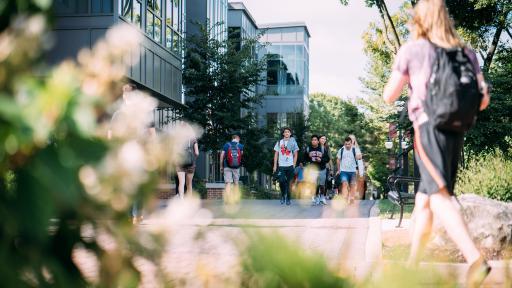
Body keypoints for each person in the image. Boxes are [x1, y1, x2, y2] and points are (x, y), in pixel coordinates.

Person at [382, 0, 491, 286]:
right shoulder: (465, 52)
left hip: (428, 128)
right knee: (424, 201)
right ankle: (411, 268)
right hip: (456, 129)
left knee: (440, 198)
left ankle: (475, 260)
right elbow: (484, 98)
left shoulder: (412, 50)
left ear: (419, 20)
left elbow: (388, 95)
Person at [109, 83, 156, 224]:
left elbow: (110, 135)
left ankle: (130, 216)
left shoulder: (118, 113)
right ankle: (135, 215)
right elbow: (152, 135)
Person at [273, 127, 299, 205]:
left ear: (290, 134)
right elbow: (276, 154)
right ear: (283, 134)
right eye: (285, 132)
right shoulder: (279, 142)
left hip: (290, 165)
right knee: (281, 181)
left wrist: (294, 164)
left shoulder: (293, 142)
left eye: (288, 132)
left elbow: (296, 154)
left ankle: (288, 198)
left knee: (289, 183)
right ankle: (283, 194)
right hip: (281, 165)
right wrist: (274, 165)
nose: (287, 133)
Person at [305, 135, 330, 205]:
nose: (314, 141)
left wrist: (321, 160)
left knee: (321, 185)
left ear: (318, 141)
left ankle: (322, 197)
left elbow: (327, 159)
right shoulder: (308, 148)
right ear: (311, 141)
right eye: (313, 140)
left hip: (322, 169)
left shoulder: (322, 148)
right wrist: (308, 156)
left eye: (315, 140)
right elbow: (304, 158)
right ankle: (314, 197)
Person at [336, 137, 361, 204]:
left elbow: (359, 156)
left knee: (352, 185)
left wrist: (358, 157)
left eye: (349, 144)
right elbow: (338, 160)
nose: (347, 145)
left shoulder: (355, 149)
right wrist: (338, 170)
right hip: (344, 171)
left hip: (353, 171)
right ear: (344, 143)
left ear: (351, 143)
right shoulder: (341, 150)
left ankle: (352, 198)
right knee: (344, 184)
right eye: (346, 144)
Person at [220, 132, 244, 198]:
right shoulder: (240, 146)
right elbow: (241, 156)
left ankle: (228, 198)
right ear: (237, 138)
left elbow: (222, 156)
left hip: (227, 166)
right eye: (239, 139)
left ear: (232, 139)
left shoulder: (226, 145)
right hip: (236, 167)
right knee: (236, 183)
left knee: (228, 183)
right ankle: (236, 198)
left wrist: (221, 166)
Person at [177, 129, 199, 199]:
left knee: (181, 183)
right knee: (189, 184)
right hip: (191, 164)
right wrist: (192, 157)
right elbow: (197, 153)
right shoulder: (193, 139)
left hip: (180, 163)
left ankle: (181, 199)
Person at [349, 134, 366, 199]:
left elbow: (360, 162)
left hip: (354, 168)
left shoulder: (357, 149)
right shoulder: (344, 148)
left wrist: (361, 172)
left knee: (353, 182)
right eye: (350, 138)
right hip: (346, 168)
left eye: (353, 139)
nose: (352, 140)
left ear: (354, 140)